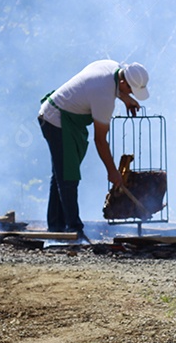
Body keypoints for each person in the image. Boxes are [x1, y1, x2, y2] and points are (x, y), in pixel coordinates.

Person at [38, 59, 149, 239]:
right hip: (56, 120)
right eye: (130, 90)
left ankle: (56, 227)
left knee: (61, 173)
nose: (131, 94)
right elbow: (100, 140)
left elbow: (109, 86)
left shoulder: (111, 66)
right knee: (68, 175)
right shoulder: (104, 98)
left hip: (61, 113)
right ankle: (73, 229)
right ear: (123, 82)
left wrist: (126, 98)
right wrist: (112, 171)